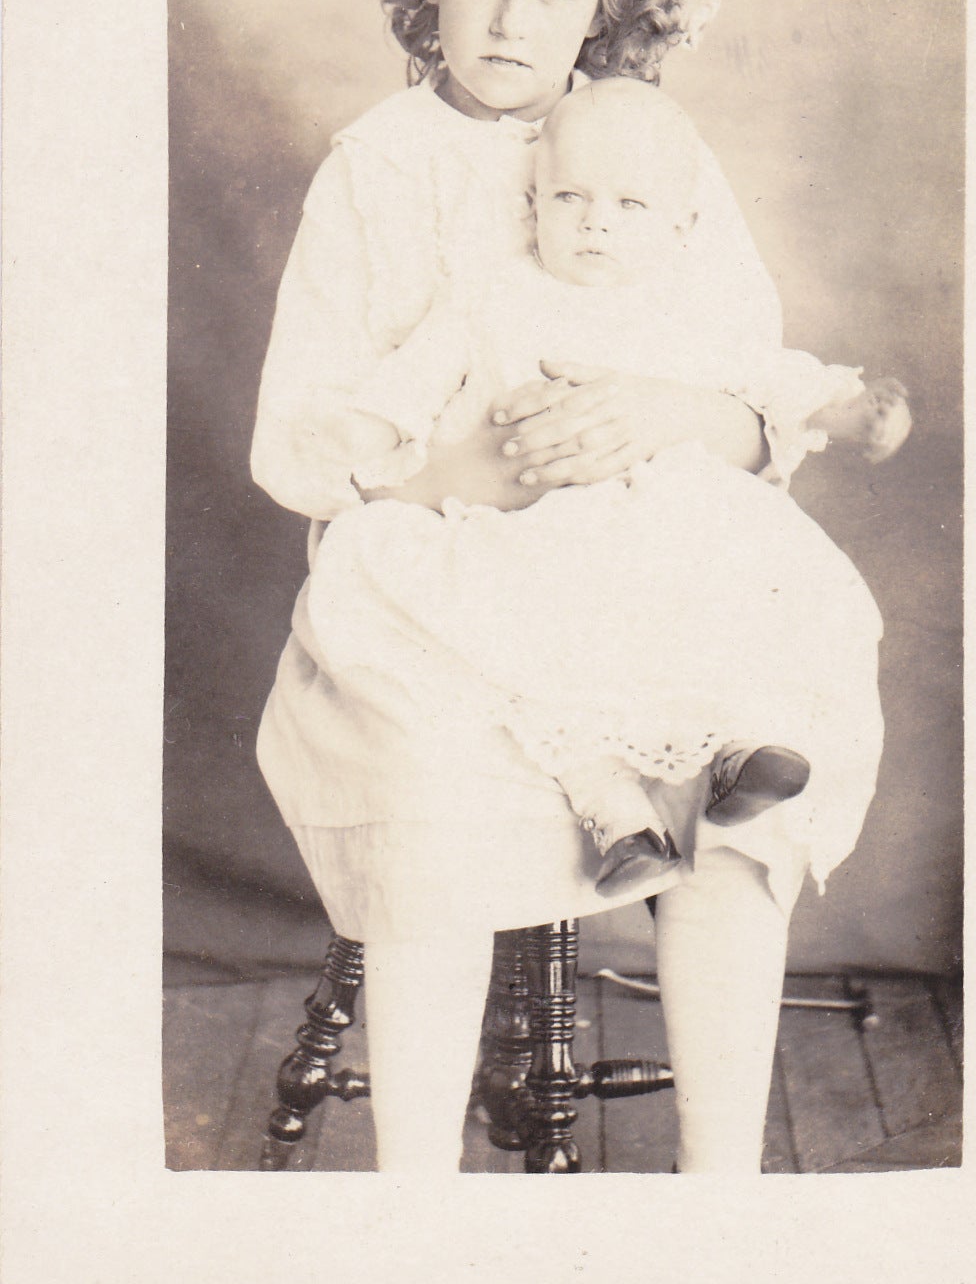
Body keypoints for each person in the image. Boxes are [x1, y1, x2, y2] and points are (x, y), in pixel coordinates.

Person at [250, 0, 903, 1173]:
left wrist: (675, 411)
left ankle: (719, 1187)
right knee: (432, 794)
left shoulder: (647, 151)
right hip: (441, 575)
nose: (509, 17)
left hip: (645, 555)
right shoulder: (379, 169)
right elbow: (303, 446)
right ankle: (413, 1202)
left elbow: (751, 388)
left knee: (746, 758)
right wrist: (457, 469)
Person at [304, 75, 910, 903]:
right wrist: (373, 439)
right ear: (533, 204)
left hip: (662, 528)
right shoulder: (492, 294)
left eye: (629, 205)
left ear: (681, 226)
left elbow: (773, 378)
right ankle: (616, 812)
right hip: (534, 527)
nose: (596, 222)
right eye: (570, 197)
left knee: (738, 590)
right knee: (512, 643)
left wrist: (849, 411)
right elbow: (414, 379)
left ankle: (740, 748)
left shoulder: (686, 310)